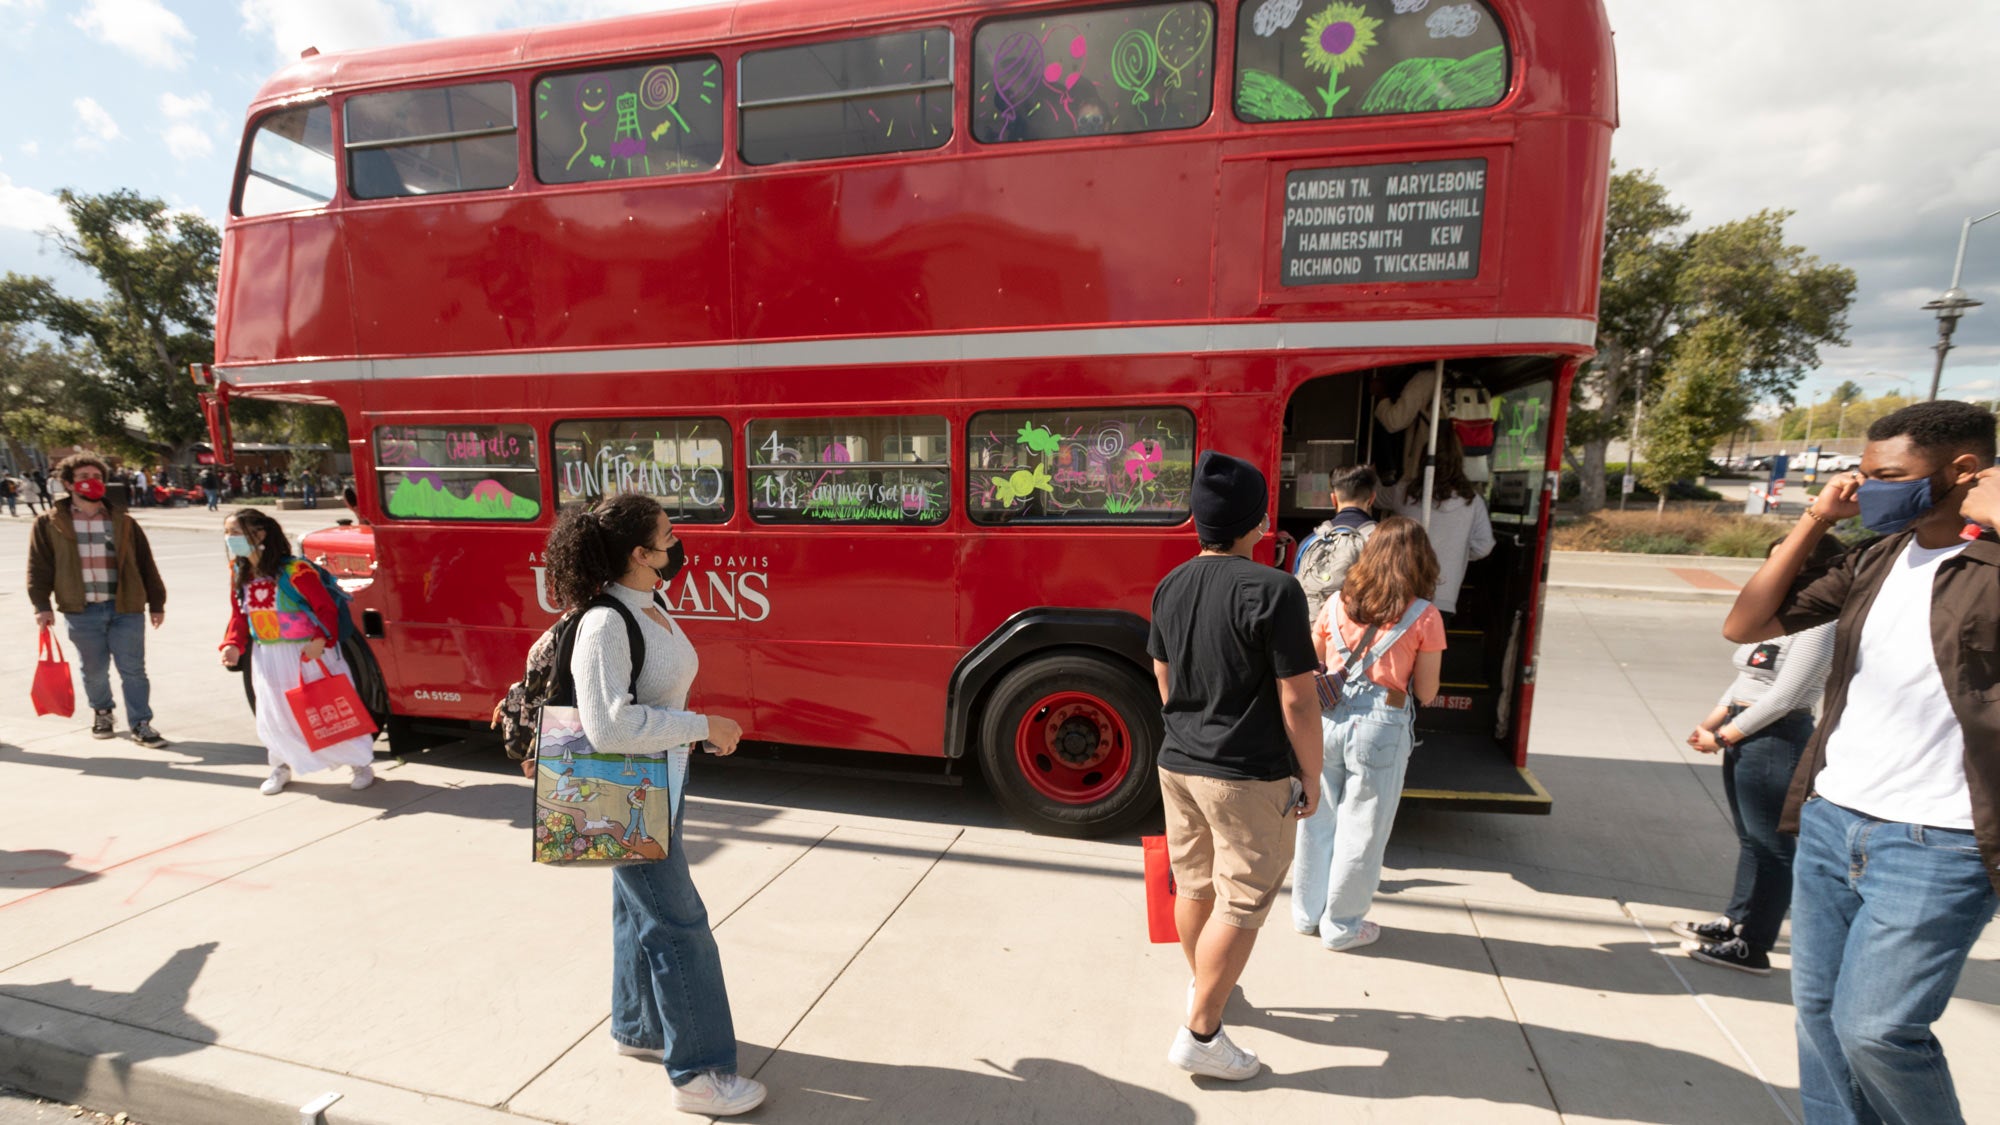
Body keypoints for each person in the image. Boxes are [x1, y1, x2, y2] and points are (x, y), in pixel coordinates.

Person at [1722, 401, 1999, 1125]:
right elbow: (1746, 623)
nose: (1869, 488)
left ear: (1964, 470)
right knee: (1819, 1019)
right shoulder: (1879, 557)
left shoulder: (1992, 564)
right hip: (1833, 819)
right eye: (1864, 473)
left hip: (1939, 841)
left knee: (1876, 1030)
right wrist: (1816, 519)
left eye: (1889, 476)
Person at [538, 492, 764, 1116]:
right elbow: (609, 726)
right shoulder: (606, 623)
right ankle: (698, 1074)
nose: (677, 540)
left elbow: (655, 697)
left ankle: (638, 1028)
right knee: (679, 926)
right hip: (626, 798)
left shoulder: (652, 603)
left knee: (636, 913)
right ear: (640, 553)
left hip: (662, 784)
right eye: (667, 534)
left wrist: (691, 736)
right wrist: (701, 725)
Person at [1147, 451, 1322, 1081]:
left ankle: (1205, 984)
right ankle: (1203, 1031)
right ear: (1257, 521)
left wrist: (1191, 725)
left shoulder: (1171, 584)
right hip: (1247, 771)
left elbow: (1163, 673)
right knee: (1242, 901)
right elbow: (1297, 698)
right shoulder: (1275, 589)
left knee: (1195, 884)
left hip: (1178, 762)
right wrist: (1312, 774)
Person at [1673, 538, 1842, 976]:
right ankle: (1734, 923)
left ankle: (1754, 946)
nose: (1772, 569)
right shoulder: (1778, 616)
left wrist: (1724, 737)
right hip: (1744, 728)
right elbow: (1747, 677)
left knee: (1772, 847)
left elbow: (1786, 696)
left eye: (1784, 560)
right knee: (1751, 839)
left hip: (1775, 737)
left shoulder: (1820, 622)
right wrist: (1713, 722)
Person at [1290, 516, 1445, 951]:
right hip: (1381, 725)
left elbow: (1313, 662)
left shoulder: (1336, 602)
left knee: (1316, 818)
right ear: (1421, 561)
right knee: (1362, 830)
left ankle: (1306, 914)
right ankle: (1341, 926)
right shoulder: (1424, 615)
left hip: (1327, 720)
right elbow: (1427, 692)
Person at [219, 509, 376, 794]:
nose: (230, 538)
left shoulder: (296, 570)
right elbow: (239, 615)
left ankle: (359, 762)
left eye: (236, 532)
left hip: (306, 653)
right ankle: (280, 765)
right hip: (267, 656)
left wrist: (321, 640)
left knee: (328, 708)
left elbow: (325, 608)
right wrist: (232, 643)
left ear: (260, 534)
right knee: (275, 713)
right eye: (228, 533)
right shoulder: (239, 573)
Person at [25, 452, 168, 746]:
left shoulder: (123, 521)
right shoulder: (48, 524)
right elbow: (39, 567)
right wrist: (41, 605)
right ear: (68, 484)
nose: (92, 482)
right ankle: (102, 712)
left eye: (97, 477)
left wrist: (156, 602)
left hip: (125, 607)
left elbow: (146, 563)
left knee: (134, 670)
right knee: (94, 671)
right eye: (83, 477)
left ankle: (141, 723)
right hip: (80, 610)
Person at [1387, 429, 1492, 618]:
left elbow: (1374, 495)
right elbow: (1484, 546)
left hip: (1402, 591)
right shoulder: (1472, 501)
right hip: (1444, 595)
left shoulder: (1404, 493)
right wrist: (1459, 552)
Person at [1292, 464, 1379, 625]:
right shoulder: (1385, 542)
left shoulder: (1311, 541)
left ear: (1333, 499)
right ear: (1372, 499)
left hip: (1317, 633)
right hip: (1367, 634)